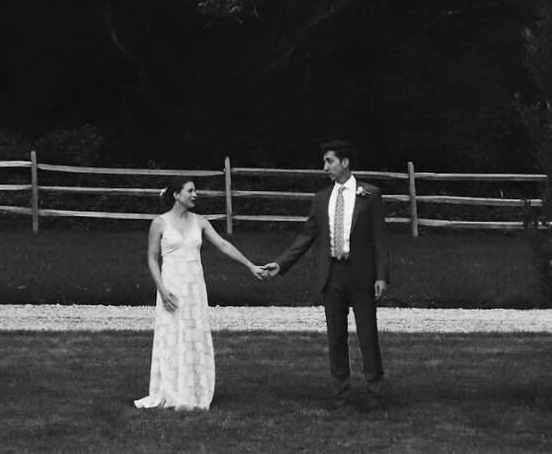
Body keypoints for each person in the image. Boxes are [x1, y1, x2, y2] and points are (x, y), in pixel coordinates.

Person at [259, 139, 391, 405]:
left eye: (329, 161)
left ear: (345, 162)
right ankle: (340, 392)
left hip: (362, 274)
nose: (325, 167)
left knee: (367, 336)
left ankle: (375, 393)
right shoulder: (321, 198)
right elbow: (307, 236)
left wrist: (381, 276)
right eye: (324, 162)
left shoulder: (370, 194)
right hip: (332, 275)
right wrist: (281, 263)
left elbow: (380, 239)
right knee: (336, 338)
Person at [134, 175, 267, 411]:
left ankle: (193, 389)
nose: (195, 195)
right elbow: (152, 258)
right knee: (172, 334)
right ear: (177, 195)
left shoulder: (200, 222)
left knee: (193, 333)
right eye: (190, 191)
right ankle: (172, 389)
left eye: (195, 191)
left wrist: (250, 265)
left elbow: (223, 245)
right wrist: (162, 291)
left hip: (195, 289)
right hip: (171, 287)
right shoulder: (159, 223)